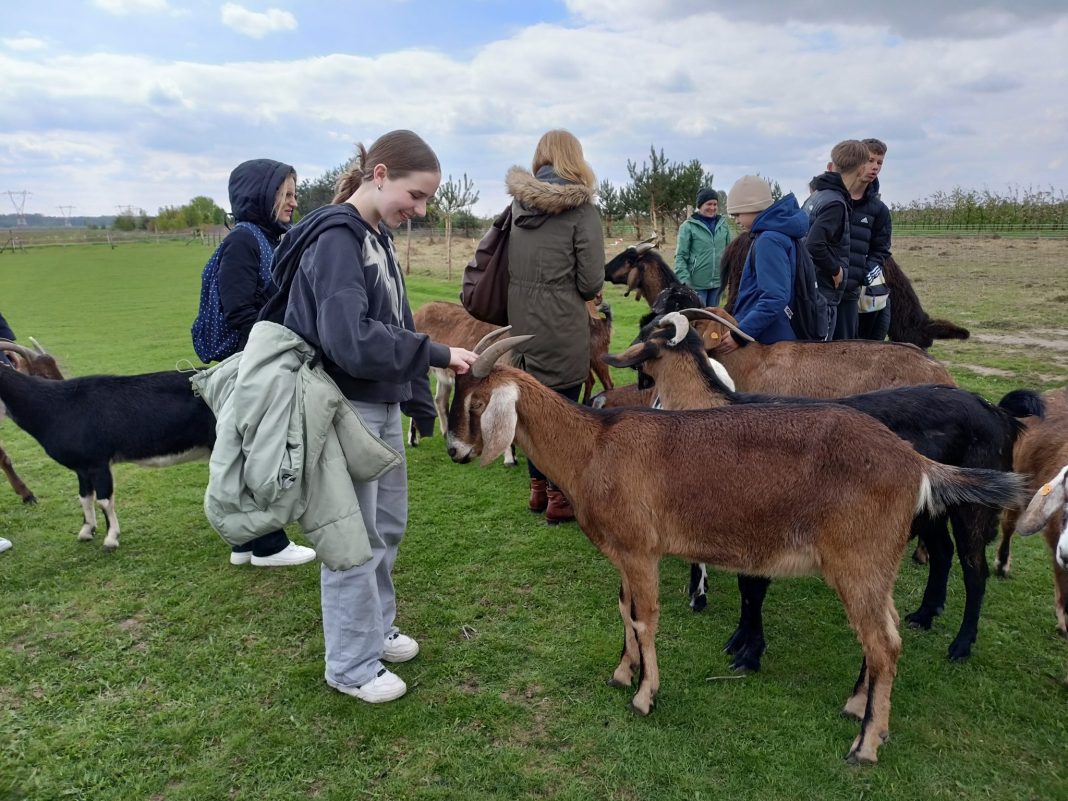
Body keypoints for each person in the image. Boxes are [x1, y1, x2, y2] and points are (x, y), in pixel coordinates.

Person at [267, 129, 478, 704]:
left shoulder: (375, 235)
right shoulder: (338, 239)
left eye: (428, 200)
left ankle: (375, 628)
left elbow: (390, 322)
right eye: (417, 195)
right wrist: (433, 353)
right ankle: (351, 665)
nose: (422, 210)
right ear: (379, 174)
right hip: (347, 406)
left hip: (379, 404)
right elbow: (350, 339)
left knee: (385, 527)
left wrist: (409, 387)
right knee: (350, 537)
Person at [213, 158, 316, 568]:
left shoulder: (270, 236)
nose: (293, 202)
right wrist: (275, 346)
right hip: (250, 361)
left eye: (294, 193)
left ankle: (244, 543)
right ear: (261, 195)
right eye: (285, 194)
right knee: (262, 449)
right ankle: (269, 544)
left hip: (259, 356)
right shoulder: (244, 240)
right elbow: (238, 310)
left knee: (247, 448)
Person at [503, 130, 604, 524]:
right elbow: (590, 282)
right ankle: (560, 497)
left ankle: (537, 490)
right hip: (562, 322)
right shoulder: (581, 211)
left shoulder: (517, 206)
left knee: (530, 409)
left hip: (521, 322)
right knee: (563, 412)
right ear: (574, 158)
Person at [718, 176, 810, 353]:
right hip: (774, 332)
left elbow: (775, 297)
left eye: (738, 214)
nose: (736, 220)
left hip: (768, 340)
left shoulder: (769, 240)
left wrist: (740, 334)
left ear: (753, 208)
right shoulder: (778, 233)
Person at [802, 140, 871, 339]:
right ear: (861, 169)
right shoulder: (835, 203)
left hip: (811, 285)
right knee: (821, 355)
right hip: (823, 290)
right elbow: (814, 244)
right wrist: (836, 269)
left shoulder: (816, 196)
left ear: (833, 164)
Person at [854, 139, 893, 341]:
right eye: (870, 160)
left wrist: (863, 273)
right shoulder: (831, 201)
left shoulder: (879, 210)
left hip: (865, 293)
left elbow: (882, 250)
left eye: (879, 162)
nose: (875, 167)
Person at [674, 187, 732, 307]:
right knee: (698, 320)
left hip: (718, 283)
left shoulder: (723, 226)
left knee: (713, 320)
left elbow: (730, 253)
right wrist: (685, 282)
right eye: (708, 204)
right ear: (700, 205)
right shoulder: (688, 227)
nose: (712, 208)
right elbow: (680, 256)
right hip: (696, 285)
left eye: (715, 204)